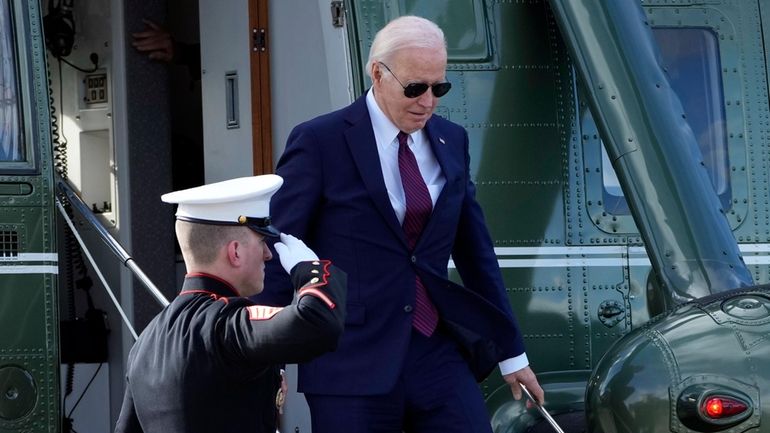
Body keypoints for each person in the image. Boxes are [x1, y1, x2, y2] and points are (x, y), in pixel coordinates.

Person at [256, 15, 544, 433]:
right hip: (350, 358)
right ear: (378, 73)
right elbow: (278, 246)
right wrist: (265, 354)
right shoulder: (321, 141)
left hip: (436, 352)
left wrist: (512, 354)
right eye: (415, 88)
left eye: (438, 88)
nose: (428, 101)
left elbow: (476, 252)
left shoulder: (452, 140)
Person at [114, 174, 347, 433]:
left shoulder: (146, 342)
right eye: (262, 242)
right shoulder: (225, 324)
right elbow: (317, 323)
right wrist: (311, 271)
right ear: (235, 252)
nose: (269, 254)